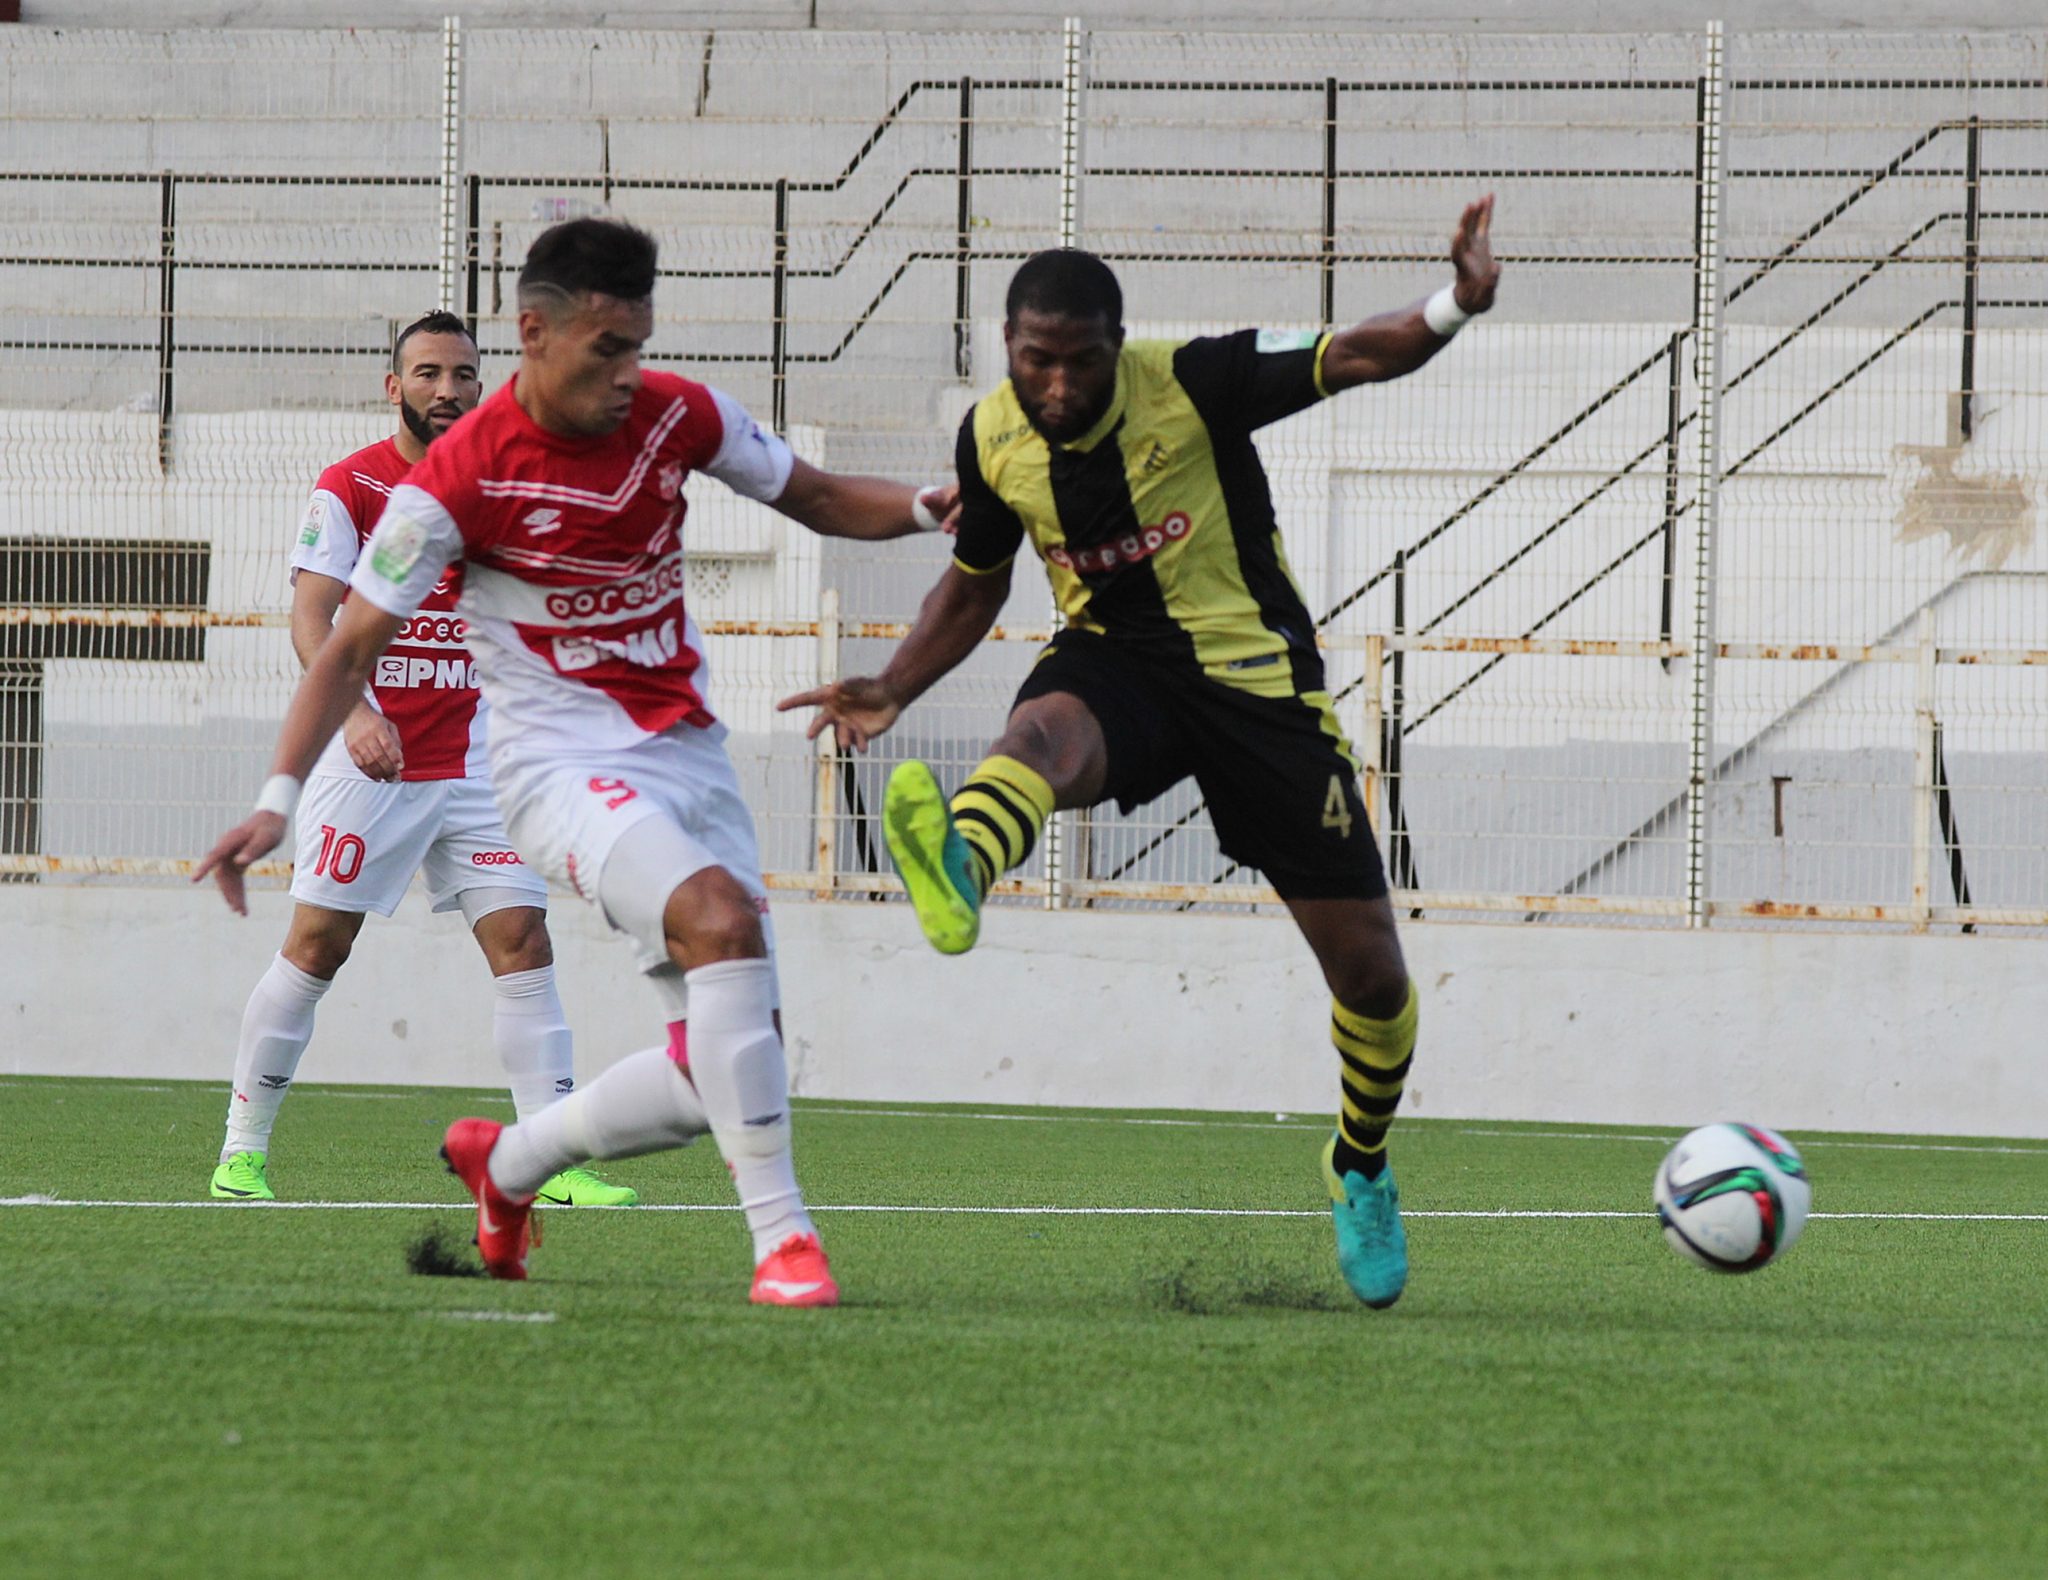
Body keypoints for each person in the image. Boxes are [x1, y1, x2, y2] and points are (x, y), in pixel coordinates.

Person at [197, 218, 954, 1306]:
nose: (627, 372)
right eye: (607, 349)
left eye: (638, 345)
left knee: (728, 1059)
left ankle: (511, 1164)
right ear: (536, 333)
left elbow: (817, 494)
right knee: (716, 922)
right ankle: (785, 1244)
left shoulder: (676, 413)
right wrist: (278, 797)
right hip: (551, 766)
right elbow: (345, 637)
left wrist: (929, 506)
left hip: (685, 754)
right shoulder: (452, 480)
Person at [780, 198, 1501, 1309]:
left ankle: (1358, 1162)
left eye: (1081, 361)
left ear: (1118, 346)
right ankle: (961, 865)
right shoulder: (990, 437)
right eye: (1036, 360)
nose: (1058, 384)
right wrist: (893, 683)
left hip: (1255, 682)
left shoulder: (1196, 381)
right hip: (1117, 661)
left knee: (1371, 977)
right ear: (1007, 345)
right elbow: (975, 584)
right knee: (1036, 735)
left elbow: (1356, 353)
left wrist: (1455, 301)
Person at [210, 310, 633, 1210]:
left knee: (524, 941)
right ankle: (241, 1151)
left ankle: (551, 1158)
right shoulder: (352, 486)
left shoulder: (498, 488)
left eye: (464, 374)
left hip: (478, 765)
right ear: (394, 386)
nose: (448, 389)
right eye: (430, 373)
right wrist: (357, 712)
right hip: (370, 762)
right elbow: (312, 618)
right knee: (319, 946)